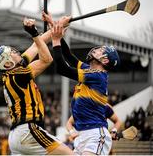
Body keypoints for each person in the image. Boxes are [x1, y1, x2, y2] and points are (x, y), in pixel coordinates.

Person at [0, 17, 73, 155]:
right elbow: (46, 60)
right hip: (28, 131)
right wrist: (34, 33)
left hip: (16, 137)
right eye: (13, 53)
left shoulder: (12, 72)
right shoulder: (18, 75)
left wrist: (56, 27)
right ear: (8, 63)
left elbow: (36, 45)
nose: (17, 52)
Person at [47, 15, 120, 155]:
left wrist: (55, 40)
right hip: (81, 136)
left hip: (95, 134)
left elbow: (62, 68)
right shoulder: (90, 70)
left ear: (105, 61)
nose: (96, 50)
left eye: (101, 51)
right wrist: (55, 28)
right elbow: (68, 56)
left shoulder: (97, 76)